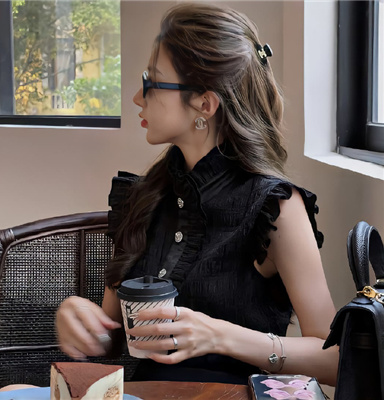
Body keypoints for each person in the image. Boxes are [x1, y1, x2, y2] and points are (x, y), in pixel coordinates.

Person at [56, 3, 339, 386]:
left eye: (152, 82)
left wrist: (221, 336)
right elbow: (113, 338)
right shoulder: (140, 196)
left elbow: (335, 358)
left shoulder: (275, 208)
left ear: (204, 104)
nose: (138, 97)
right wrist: (80, 319)